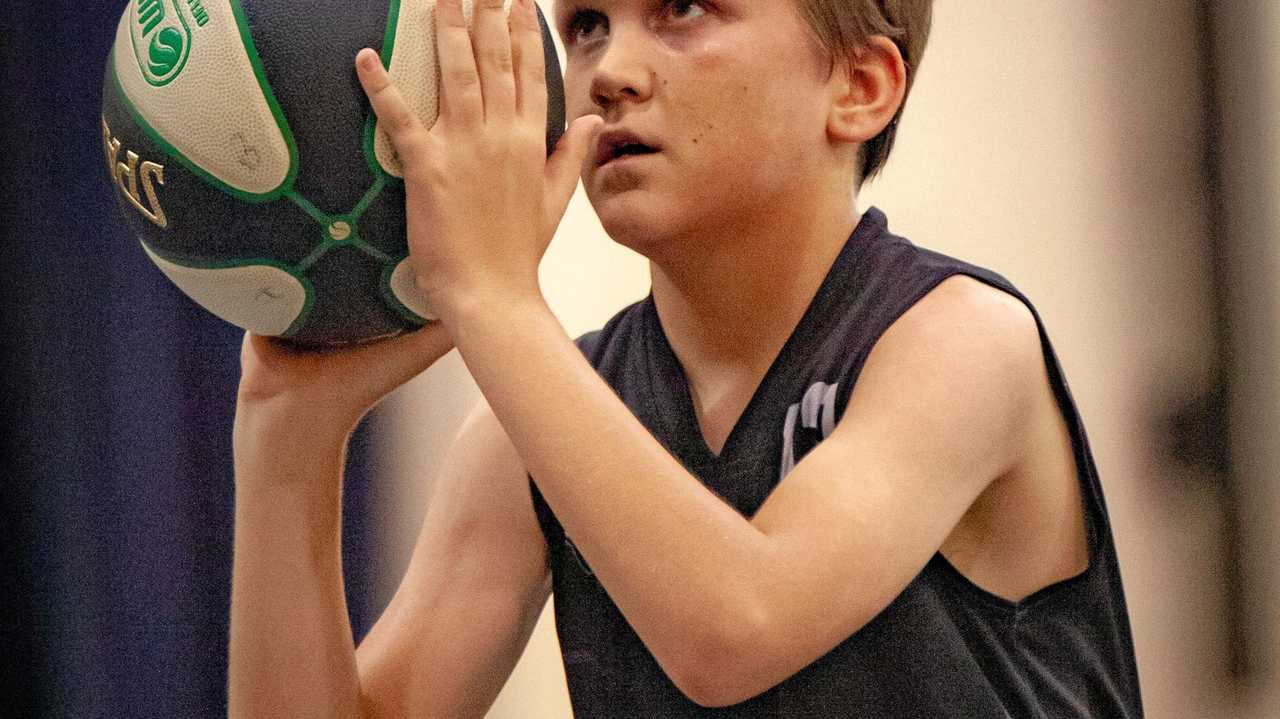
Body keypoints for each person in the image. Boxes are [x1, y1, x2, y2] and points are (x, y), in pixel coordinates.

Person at [227, 0, 1144, 716]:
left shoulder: (962, 344)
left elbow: (734, 631)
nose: (608, 73)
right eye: (586, 27)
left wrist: (492, 295)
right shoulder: (528, 439)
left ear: (859, 85)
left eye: (685, 10)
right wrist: (284, 443)